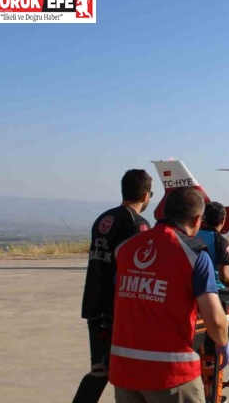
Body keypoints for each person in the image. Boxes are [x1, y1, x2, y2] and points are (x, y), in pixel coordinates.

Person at [109, 187, 229, 403]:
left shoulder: (126, 249)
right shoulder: (194, 254)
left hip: (124, 369)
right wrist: (222, 343)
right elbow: (215, 320)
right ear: (196, 220)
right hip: (171, 373)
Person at [72, 169, 153, 403]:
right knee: (132, 370)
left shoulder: (104, 218)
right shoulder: (138, 224)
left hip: (95, 304)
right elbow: (138, 268)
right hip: (117, 309)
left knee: (101, 370)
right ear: (146, 195)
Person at [195, 201, 229, 288]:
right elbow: (224, 278)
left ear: (204, 219)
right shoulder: (221, 242)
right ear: (223, 220)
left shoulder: (191, 235)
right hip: (215, 291)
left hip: (192, 288)